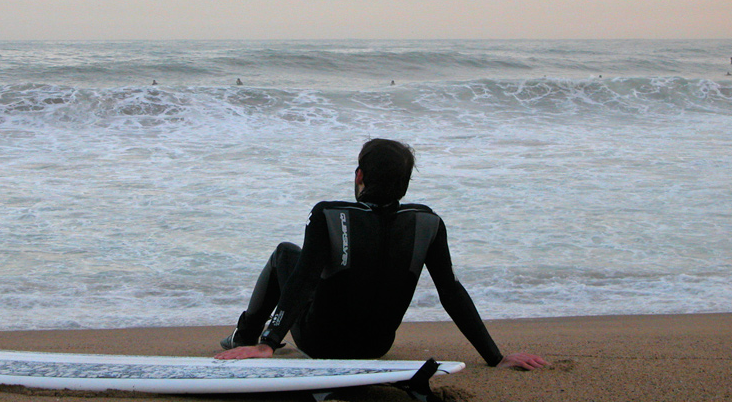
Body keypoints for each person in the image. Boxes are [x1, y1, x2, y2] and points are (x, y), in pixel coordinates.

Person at [216, 138, 546, 370]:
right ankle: (251, 338)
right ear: (404, 184)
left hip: (321, 345)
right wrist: (495, 356)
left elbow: (302, 279)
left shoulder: (328, 214)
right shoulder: (428, 222)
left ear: (360, 176)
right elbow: (451, 292)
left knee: (284, 254)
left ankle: (244, 336)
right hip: (375, 348)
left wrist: (268, 343)